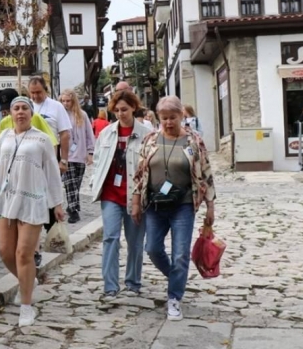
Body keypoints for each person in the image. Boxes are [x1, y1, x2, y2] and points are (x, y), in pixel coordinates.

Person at [0, 97, 65, 327]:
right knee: (5, 251)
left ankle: (26, 306)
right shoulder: (4, 137)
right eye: (16, 108)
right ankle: (28, 280)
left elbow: (52, 172)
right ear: (10, 113)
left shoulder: (43, 139)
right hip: (6, 199)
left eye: (24, 108)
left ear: (31, 112)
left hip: (32, 200)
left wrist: (57, 203)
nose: (20, 112)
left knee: (23, 253)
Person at [131, 95, 216, 322]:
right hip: (155, 205)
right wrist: (136, 202)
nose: (168, 122)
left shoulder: (193, 141)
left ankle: (174, 297)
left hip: (184, 205)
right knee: (152, 248)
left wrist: (210, 206)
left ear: (181, 115)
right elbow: (140, 174)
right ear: (158, 117)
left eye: (173, 117)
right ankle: (176, 277)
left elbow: (206, 174)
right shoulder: (150, 140)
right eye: (164, 118)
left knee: (180, 254)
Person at [90, 90, 151, 298]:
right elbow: (98, 160)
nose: (120, 114)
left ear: (134, 107)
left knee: (135, 240)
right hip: (110, 194)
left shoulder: (146, 135)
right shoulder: (107, 133)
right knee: (110, 238)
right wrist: (93, 182)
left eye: (124, 109)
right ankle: (110, 286)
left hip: (135, 195)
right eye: (116, 110)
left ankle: (133, 282)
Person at [27, 76, 71, 264]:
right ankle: (35, 246)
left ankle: (52, 233)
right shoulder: (26, 106)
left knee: (51, 197)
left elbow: (65, 134)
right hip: (30, 162)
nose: (36, 96)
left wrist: (64, 159)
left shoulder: (56, 107)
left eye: (39, 92)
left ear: (46, 90)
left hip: (50, 159)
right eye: (32, 93)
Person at [58, 89, 94, 224]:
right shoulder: (60, 115)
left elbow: (88, 134)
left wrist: (90, 152)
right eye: (63, 101)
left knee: (76, 184)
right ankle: (74, 211)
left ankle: (71, 205)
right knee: (70, 183)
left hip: (80, 154)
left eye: (68, 101)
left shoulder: (82, 115)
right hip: (66, 156)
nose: (66, 103)